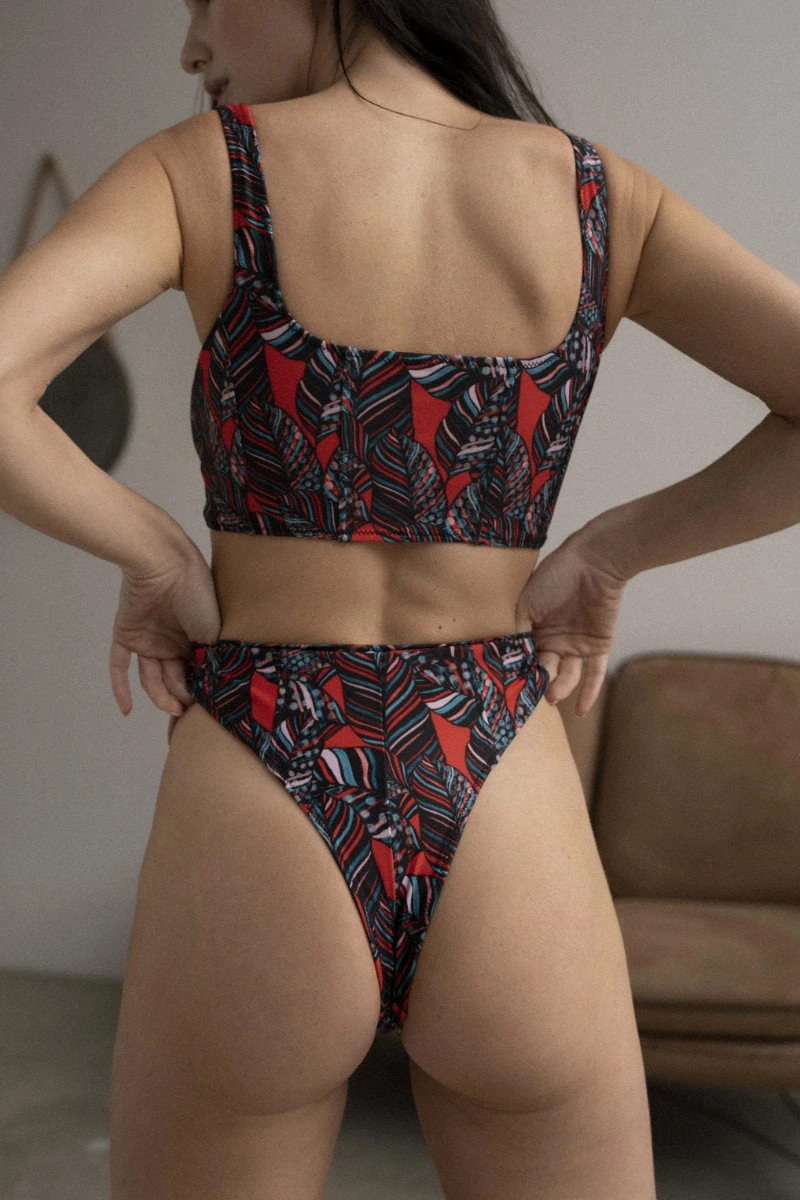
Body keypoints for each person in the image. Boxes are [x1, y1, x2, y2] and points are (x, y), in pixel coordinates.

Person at [1, 0, 799, 1196]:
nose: (191, 45)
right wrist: (610, 552)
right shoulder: (598, 198)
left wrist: (156, 557)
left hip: (263, 750)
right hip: (497, 761)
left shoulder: (206, 170)